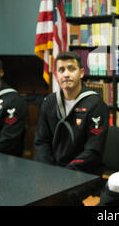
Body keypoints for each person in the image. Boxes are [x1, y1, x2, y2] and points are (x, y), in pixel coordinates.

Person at [34, 51, 109, 204]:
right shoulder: (49, 102)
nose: (66, 74)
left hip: (85, 171)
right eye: (61, 70)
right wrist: (49, 170)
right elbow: (41, 141)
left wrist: (64, 173)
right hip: (54, 168)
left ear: (81, 73)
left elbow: (93, 150)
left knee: (62, 196)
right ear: (56, 74)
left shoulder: (95, 104)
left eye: (71, 69)